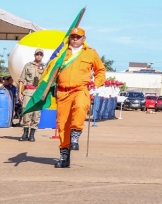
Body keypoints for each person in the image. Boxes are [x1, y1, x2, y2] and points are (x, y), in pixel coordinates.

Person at [54, 27, 106, 168]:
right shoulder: (61, 52)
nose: (75, 39)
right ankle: (64, 156)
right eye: (73, 37)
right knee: (63, 124)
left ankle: (75, 135)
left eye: (78, 37)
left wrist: (95, 83)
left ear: (84, 39)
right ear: (69, 38)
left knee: (81, 106)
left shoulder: (91, 53)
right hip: (63, 92)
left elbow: (101, 71)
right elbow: (51, 70)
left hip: (81, 88)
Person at [18, 49, 46, 142]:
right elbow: (21, 79)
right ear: (34, 55)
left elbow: (49, 80)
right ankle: (25, 133)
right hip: (28, 91)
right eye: (37, 54)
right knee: (26, 110)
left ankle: (32, 134)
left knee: (36, 113)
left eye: (41, 54)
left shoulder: (45, 66)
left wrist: (43, 73)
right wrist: (19, 93)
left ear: (42, 56)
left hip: (39, 92)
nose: (39, 56)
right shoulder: (28, 65)